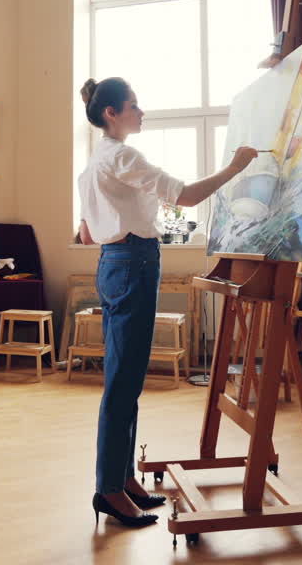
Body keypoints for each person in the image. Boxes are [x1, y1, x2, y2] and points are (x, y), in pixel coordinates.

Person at [77, 76, 258, 528]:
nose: (141, 112)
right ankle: (109, 489)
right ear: (111, 113)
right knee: (123, 383)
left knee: (127, 378)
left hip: (116, 263)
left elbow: (86, 232)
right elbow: (187, 196)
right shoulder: (122, 156)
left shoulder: (97, 160)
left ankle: (123, 478)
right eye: (134, 105)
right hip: (133, 263)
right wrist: (235, 167)